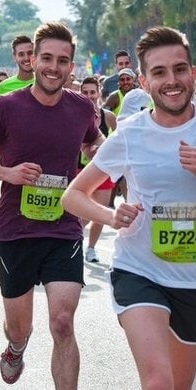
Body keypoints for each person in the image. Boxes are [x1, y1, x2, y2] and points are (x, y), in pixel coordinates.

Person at [61, 25, 196, 390]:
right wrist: (111, 216)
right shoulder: (130, 132)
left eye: (179, 70)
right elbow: (73, 195)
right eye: (159, 72)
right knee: (157, 388)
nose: (171, 81)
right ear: (144, 80)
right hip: (138, 271)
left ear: (193, 73)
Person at [0, 22, 103, 390]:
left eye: (63, 61)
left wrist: (101, 157)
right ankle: (16, 346)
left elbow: (95, 144)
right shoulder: (5, 107)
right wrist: (7, 172)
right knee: (22, 327)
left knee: (63, 322)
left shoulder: (81, 108)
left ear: (72, 66)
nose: (54, 67)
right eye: (48, 59)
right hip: (14, 231)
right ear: (33, 60)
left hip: (64, 228)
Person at [79, 76, 117, 263]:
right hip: (79, 170)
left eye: (92, 92)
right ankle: (71, 240)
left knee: (100, 212)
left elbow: (119, 140)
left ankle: (91, 248)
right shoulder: (74, 115)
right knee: (78, 212)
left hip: (102, 171)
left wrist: (104, 147)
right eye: (84, 92)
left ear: (99, 92)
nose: (89, 96)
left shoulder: (108, 116)